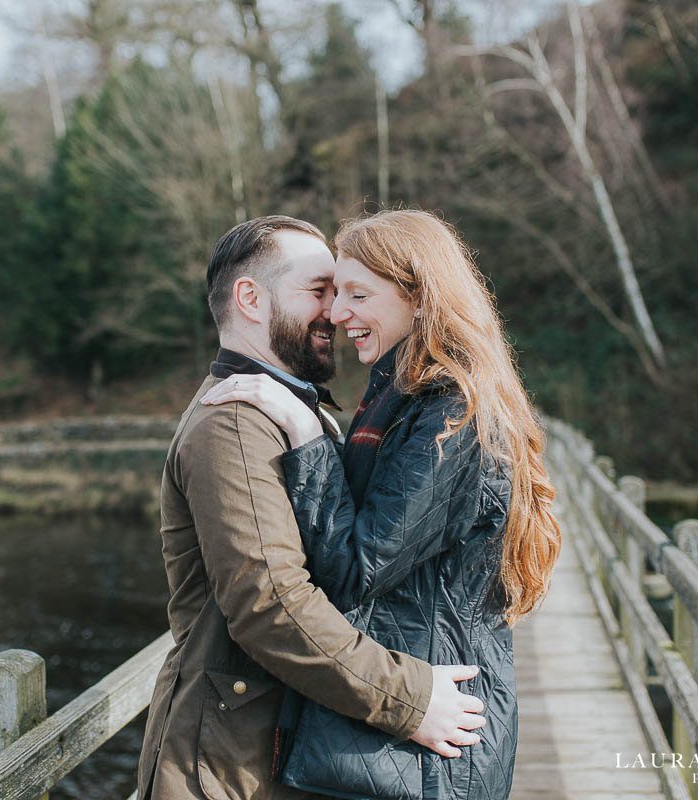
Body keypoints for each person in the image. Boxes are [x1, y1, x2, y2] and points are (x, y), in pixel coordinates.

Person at [200, 209, 562, 799]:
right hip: (402, 736)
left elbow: (355, 568)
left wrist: (307, 431)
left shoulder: (452, 413)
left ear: (421, 297)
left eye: (357, 294)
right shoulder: (400, 395)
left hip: (433, 745)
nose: (338, 315)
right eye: (332, 292)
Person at [136, 215, 487, 800]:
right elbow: (271, 607)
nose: (335, 310)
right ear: (250, 297)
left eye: (344, 292)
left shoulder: (294, 410)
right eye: (317, 291)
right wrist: (409, 699)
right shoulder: (236, 424)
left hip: (272, 745)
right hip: (226, 768)